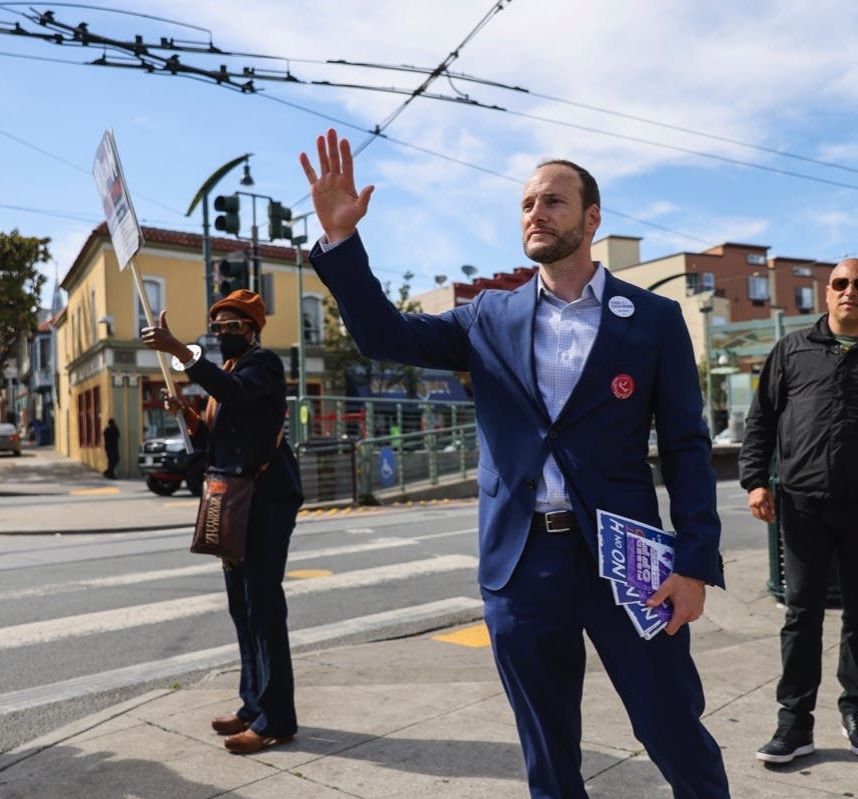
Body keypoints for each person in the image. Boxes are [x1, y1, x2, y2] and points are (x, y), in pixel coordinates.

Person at [300, 129, 730, 798]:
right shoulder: (487, 318)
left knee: (671, 727)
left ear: (591, 218)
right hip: (521, 565)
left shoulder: (651, 319)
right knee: (547, 751)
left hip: (627, 561)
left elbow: (686, 449)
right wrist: (341, 243)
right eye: (527, 202)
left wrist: (694, 562)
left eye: (553, 201)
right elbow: (383, 333)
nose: (536, 212)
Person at [738, 258, 858, 765]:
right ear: (827, 294)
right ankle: (794, 723)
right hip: (801, 508)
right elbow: (761, 421)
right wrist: (756, 480)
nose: (850, 291)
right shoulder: (791, 351)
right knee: (801, 616)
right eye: (841, 284)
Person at [140, 289, 303, 755]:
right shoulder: (229, 370)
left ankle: (278, 720)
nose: (223, 334)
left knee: (264, 607)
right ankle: (253, 706)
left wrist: (179, 350)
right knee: (242, 607)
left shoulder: (263, 365)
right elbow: (221, 430)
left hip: (266, 497)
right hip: (232, 498)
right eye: (218, 328)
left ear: (252, 329)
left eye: (232, 327)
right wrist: (190, 416)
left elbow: (235, 395)